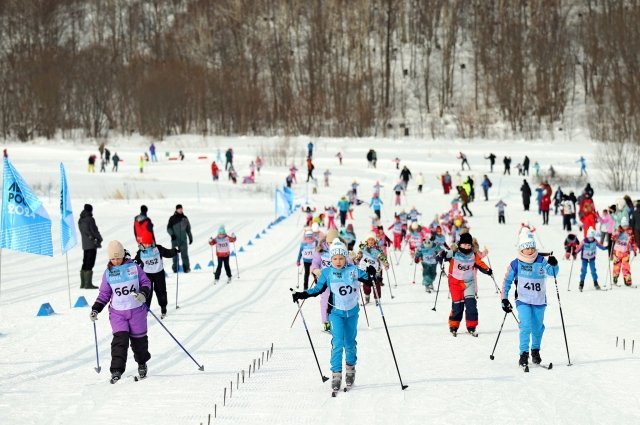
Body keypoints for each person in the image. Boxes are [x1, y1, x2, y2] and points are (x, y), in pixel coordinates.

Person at [292, 240, 373, 392]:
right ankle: (336, 374)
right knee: (337, 343)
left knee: (349, 343)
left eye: (341, 258)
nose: (338, 261)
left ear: (345, 258)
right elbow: (317, 289)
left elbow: (369, 279)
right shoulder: (327, 272)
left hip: (352, 312)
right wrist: (301, 294)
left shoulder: (353, 270)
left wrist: (371, 273)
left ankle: (350, 369)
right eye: (334, 258)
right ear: (331, 259)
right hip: (336, 312)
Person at [90, 240, 152, 383]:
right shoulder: (108, 273)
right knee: (120, 341)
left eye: (118, 257)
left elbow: (146, 282)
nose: (116, 261)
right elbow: (104, 294)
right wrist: (95, 309)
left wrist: (143, 293)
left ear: (123, 255)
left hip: (136, 311)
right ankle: (116, 370)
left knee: (139, 342)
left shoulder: (134, 268)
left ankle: (142, 363)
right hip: (118, 313)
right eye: (113, 258)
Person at [501, 232, 559, 368]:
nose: (530, 250)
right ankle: (523, 354)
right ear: (521, 249)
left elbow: (553, 273)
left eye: (532, 247)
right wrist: (504, 299)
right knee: (525, 326)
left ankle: (535, 351)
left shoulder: (541, 261)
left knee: (538, 328)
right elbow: (506, 282)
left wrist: (554, 264)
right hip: (523, 300)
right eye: (527, 247)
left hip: (539, 301)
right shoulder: (515, 264)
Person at [440, 232, 492, 336]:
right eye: (464, 244)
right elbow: (445, 255)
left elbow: (479, 263)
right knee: (457, 306)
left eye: (468, 245)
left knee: (471, 305)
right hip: (455, 283)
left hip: (468, 283)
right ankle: (454, 325)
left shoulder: (473, 255)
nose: (466, 247)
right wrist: (443, 254)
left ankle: (471, 326)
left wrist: (487, 270)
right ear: (460, 244)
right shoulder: (454, 253)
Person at [134, 233, 178, 318]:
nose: (148, 245)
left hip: (159, 273)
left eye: (149, 243)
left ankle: (163, 307)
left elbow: (167, 253)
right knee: (147, 292)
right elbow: (136, 262)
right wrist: (133, 262)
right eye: (146, 243)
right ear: (142, 243)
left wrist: (174, 251)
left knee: (161, 291)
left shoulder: (157, 248)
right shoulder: (140, 252)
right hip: (147, 275)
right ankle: (145, 310)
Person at [354, 233, 389, 305]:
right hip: (365, 269)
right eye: (369, 239)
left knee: (376, 284)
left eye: (372, 239)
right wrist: (356, 261)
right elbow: (358, 257)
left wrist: (385, 263)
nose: (371, 241)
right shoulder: (363, 249)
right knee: (366, 284)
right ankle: (367, 297)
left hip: (375, 269)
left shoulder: (377, 250)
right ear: (367, 241)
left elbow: (382, 257)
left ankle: (377, 299)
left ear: (375, 241)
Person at [78, 204, 103, 289]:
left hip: (85, 244)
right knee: (90, 263)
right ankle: (88, 284)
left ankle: (83, 283)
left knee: (85, 262)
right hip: (92, 244)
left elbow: (84, 231)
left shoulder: (81, 220)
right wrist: (99, 238)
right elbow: (94, 230)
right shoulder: (90, 219)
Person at [611, 216, 637, 286]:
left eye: (626, 225)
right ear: (621, 225)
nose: (625, 227)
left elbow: (633, 242)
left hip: (626, 252)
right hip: (617, 252)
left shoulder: (630, 232)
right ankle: (615, 277)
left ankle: (627, 280)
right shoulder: (618, 230)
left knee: (626, 267)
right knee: (617, 266)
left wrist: (634, 249)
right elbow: (613, 236)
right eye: (623, 225)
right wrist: (614, 236)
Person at [167, 204, 193, 273]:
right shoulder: (172, 218)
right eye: (179, 209)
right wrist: (172, 235)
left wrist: (190, 237)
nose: (180, 210)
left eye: (181, 209)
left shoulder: (185, 218)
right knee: (174, 255)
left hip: (183, 240)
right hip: (175, 240)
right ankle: (175, 269)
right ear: (176, 209)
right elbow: (168, 228)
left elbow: (188, 229)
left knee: (184, 255)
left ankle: (186, 268)